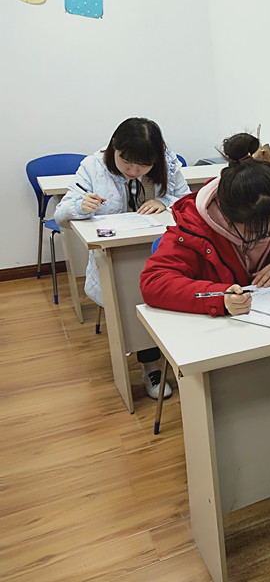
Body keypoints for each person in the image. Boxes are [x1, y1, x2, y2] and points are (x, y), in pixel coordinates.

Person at [54, 117, 190, 400]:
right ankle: (151, 366)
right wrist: (81, 206)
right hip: (118, 256)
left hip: (163, 251)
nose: (133, 171)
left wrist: (164, 202)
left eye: (143, 166)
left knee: (170, 300)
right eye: (126, 162)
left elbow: (187, 201)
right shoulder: (93, 166)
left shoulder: (168, 163)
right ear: (113, 147)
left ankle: (180, 356)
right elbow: (61, 215)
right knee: (134, 302)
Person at [139, 132, 270, 319]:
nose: (268, 236)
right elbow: (154, 283)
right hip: (222, 329)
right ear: (226, 217)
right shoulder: (194, 227)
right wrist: (220, 298)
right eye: (256, 232)